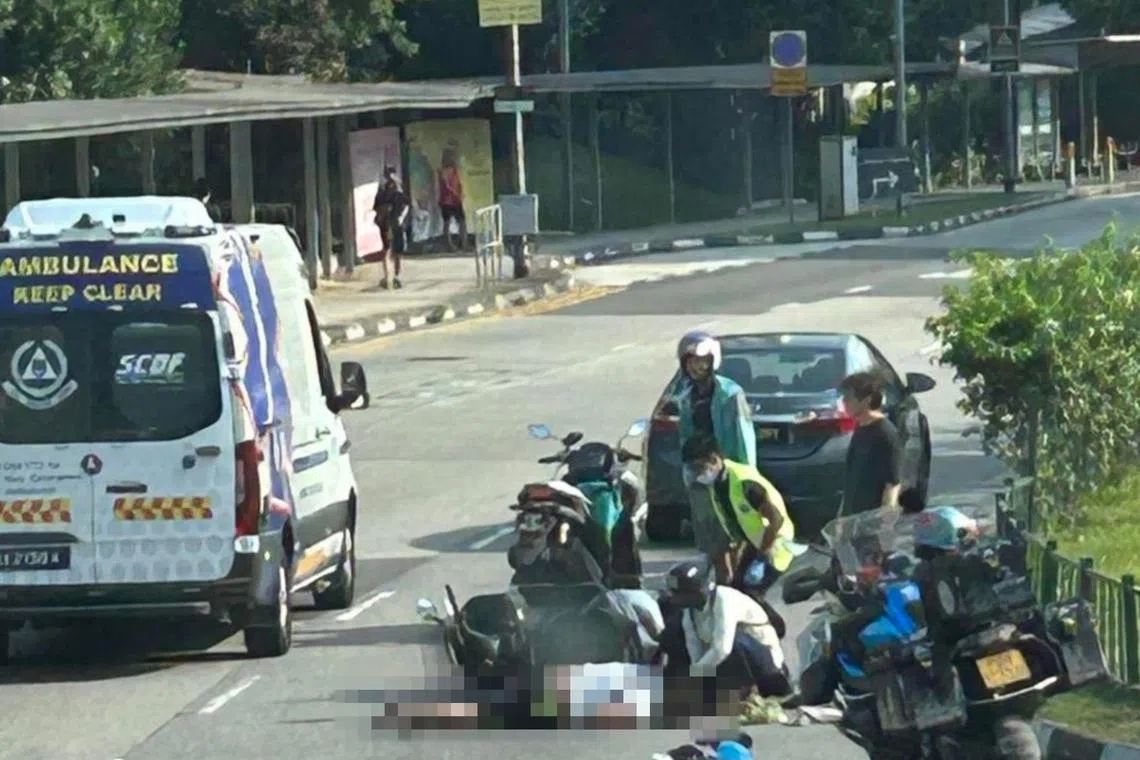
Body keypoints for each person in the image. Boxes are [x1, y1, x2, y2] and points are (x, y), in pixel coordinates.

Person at [673, 331, 757, 584]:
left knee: (734, 535)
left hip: (728, 472)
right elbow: (685, 436)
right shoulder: (687, 394)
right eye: (689, 361)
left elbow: (743, 438)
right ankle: (724, 585)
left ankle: (734, 588)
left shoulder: (730, 394)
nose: (695, 367)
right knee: (712, 541)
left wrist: (744, 475)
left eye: (700, 360)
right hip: (699, 472)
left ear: (712, 360)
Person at [681, 434, 796, 599]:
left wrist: (761, 557)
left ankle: (773, 625)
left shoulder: (744, 482)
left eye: (699, 467)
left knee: (752, 597)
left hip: (776, 548)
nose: (697, 474)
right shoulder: (718, 484)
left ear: (714, 459)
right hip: (755, 545)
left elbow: (776, 520)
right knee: (735, 591)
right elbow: (737, 525)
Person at [664, 561, 790, 699]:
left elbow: (722, 649)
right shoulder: (689, 614)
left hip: (767, 665)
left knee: (734, 641)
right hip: (731, 665)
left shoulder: (725, 599)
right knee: (674, 633)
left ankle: (750, 689)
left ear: (697, 590)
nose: (675, 599)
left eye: (679, 594)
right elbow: (695, 651)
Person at [839, 371, 903, 516]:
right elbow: (851, 480)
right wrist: (841, 516)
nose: (844, 402)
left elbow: (892, 484)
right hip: (852, 520)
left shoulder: (886, 433)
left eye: (849, 397)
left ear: (866, 400)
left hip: (872, 523)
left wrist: (885, 524)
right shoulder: (861, 427)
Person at [373, 168, 410, 289]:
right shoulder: (393, 193)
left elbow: (377, 209)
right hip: (392, 224)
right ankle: (392, 276)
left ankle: (391, 276)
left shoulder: (385, 194)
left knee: (390, 251)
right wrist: (401, 218)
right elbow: (406, 206)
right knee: (392, 251)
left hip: (389, 224)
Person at [437, 148, 467, 252]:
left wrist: (461, 193)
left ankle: (463, 243)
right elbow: (446, 185)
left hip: (456, 200)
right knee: (447, 223)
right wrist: (455, 193)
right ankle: (449, 245)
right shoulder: (442, 170)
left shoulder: (455, 170)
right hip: (446, 201)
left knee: (462, 221)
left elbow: (459, 183)